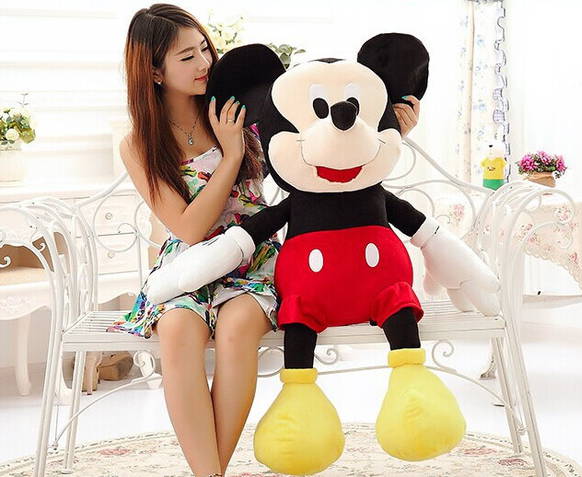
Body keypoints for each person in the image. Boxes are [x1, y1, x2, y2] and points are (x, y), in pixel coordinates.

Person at [108, 4, 421, 476]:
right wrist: (231, 155)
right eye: (187, 57)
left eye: (204, 49)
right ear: (153, 71)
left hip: (253, 256)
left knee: (236, 329)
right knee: (176, 331)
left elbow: (323, 151)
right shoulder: (139, 143)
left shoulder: (242, 106)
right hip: (187, 265)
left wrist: (396, 130)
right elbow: (188, 228)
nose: (204, 63)